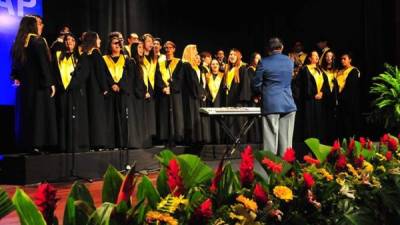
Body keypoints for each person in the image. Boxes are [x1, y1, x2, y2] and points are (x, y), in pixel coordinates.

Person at [11, 15, 57, 153]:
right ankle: (38, 145)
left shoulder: (18, 42)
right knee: (39, 115)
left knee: (27, 114)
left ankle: (27, 144)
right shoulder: (38, 41)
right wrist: (50, 83)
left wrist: (15, 77)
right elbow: (44, 64)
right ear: (32, 26)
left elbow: (15, 66)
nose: (40, 26)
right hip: (38, 86)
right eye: (37, 24)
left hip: (25, 87)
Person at [252, 37, 297, 155]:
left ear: (268, 50)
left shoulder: (264, 62)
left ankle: (271, 171)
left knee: (270, 143)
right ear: (281, 47)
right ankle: (285, 171)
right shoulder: (289, 61)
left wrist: (259, 93)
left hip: (271, 104)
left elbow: (256, 83)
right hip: (288, 104)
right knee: (286, 144)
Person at [53, 33, 89, 152]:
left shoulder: (79, 57)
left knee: (74, 118)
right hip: (62, 92)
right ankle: (62, 146)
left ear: (75, 43)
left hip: (74, 92)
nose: (69, 42)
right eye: (67, 40)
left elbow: (83, 74)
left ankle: (74, 145)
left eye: (72, 40)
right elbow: (54, 73)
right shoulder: (58, 56)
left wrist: (73, 85)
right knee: (62, 117)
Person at [79, 31, 110, 150]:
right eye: (98, 38)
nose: (100, 41)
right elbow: (100, 72)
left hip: (88, 89)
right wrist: (104, 88)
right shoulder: (96, 53)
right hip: (97, 89)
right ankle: (99, 142)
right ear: (93, 40)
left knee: (91, 115)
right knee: (98, 115)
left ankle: (92, 142)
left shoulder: (84, 54)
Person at [155, 41, 185, 146]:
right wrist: (163, 88)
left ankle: (177, 137)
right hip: (164, 93)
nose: (168, 50)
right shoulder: (160, 63)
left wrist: (171, 88)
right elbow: (157, 77)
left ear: (174, 49)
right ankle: (165, 137)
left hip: (175, 93)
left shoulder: (179, 62)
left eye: (170, 48)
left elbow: (180, 78)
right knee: (165, 115)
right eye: (166, 48)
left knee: (176, 114)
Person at [297, 50, 330, 143]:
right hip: (309, 100)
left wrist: (322, 93)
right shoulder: (305, 69)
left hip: (320, 100)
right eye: (315, 56)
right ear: (310, 58)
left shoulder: (321, 70)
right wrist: (312, 94)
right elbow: (302, 85)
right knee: (309, 122)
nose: (317, 57)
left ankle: (319, 142)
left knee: (319, 122)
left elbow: (325, 83)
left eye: (318, 56)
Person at [181, 44, 207, 144]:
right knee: (191, 116)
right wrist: (201, 93)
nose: (196, 53)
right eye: (195, 51)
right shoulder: (186, 65)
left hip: (193, 95)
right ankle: (192, 139)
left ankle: (196, 138)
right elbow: (193, 82)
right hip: (190, 97)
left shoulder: (190, 66)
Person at [336, 52, 360, 139]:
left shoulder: (354, 71)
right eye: (341, 59)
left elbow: (351, 87)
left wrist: (340, 97)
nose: (342, 61)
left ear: (350, 60)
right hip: (339, 101)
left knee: (348, 123)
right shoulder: (339, 71)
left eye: (344, 59)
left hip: (349, 101)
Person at [140, 33, 157, 146]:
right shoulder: (139, 57)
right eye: (148, 41)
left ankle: (150, 139)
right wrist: (143, 90)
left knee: (151, 114)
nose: (151, 44)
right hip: (142, 88)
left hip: (151, 87)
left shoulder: (153, 58)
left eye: (152, 42)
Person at [321, 50, 339, 142]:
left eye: (331, 56)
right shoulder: (321, 69)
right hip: (324, 98)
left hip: (334, 97)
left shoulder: (337, 70)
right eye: (327, 56)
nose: (329, 58)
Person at [205, 58, 224, 144]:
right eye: (213, 64)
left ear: (219, 65)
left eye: (216, 64)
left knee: (219, 120)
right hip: (209, 101)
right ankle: (211, 139)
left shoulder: (223, 75)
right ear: (210, 66)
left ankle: (220, 139)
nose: (215, 65)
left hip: (220, 100)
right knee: (211, 121)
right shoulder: (207, 76)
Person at [247, 52, 262, 143]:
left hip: (260, 97)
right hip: (254, 98)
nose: (259, 60)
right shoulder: (250, 70)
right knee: (254, 119)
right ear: (253, 59)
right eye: (257, 58)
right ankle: (254, 139)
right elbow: (250, 85)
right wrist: (255, 96)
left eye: (260, 58)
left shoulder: (259, 70)